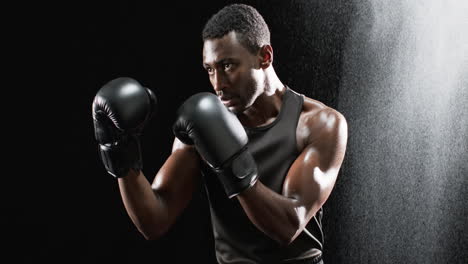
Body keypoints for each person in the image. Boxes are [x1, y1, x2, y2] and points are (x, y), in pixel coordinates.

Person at [92, 4, 347, 264]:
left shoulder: (320, 124)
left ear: (265, 56)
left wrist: (230, 163)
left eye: (227, 65)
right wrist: (119, 149)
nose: (218, 85)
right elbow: (154, 220)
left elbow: (287, 226)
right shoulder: (201, 124)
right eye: (210, 69)